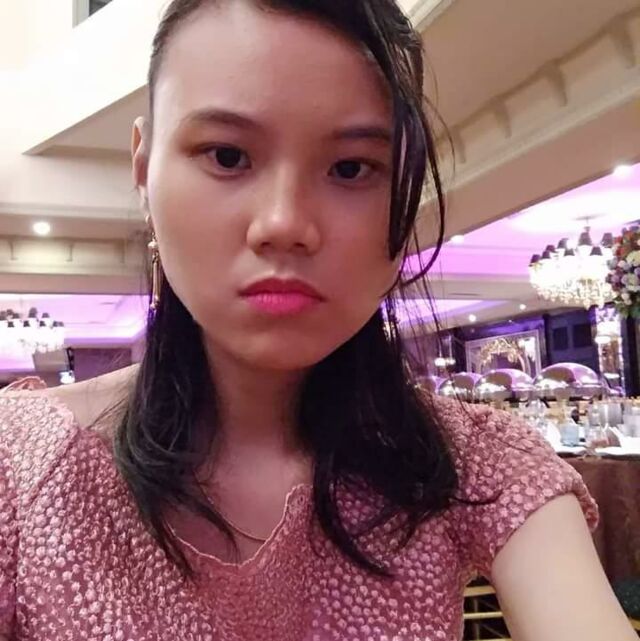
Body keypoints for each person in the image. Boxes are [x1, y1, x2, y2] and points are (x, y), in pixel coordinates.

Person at [0, 1, 636, 639]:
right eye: (227, 155)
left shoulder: (478, 463)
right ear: (143, 168)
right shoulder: (20, 464)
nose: (284, 224)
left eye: (350, 168)